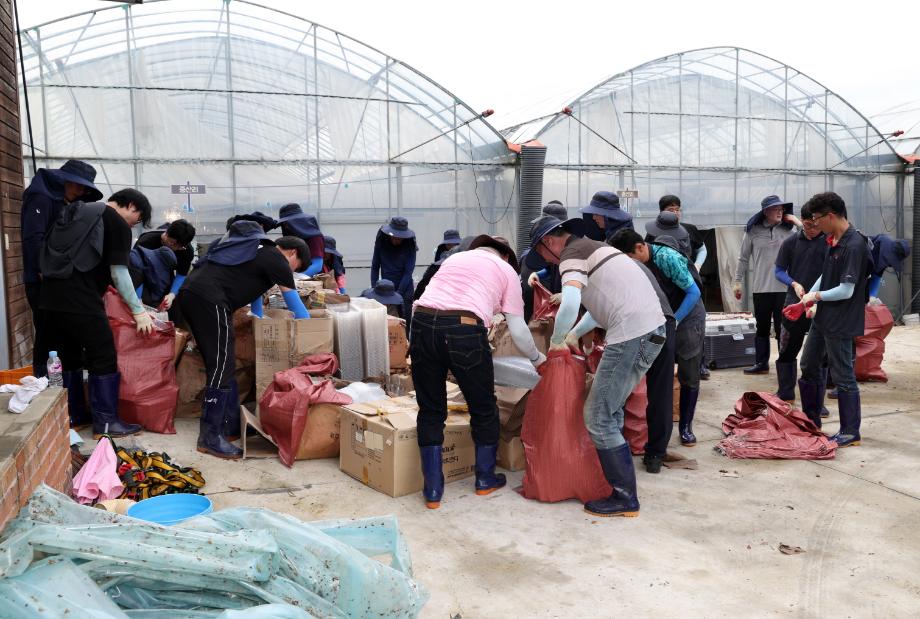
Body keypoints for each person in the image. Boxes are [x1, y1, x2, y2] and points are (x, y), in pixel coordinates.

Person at [533, 215, 666, 517]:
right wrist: (573, 335)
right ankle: (612, 485)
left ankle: (624, 497)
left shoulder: (571, 254)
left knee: (597, 416)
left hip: (631, 335)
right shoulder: (595, 249)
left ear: (549, 242)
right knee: (612, 409)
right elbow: (600, 308)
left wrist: (556, 339)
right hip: (650, 331)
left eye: (541, 253)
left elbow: (569, 304)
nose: (547, 260)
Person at [412, 235, 544, 509]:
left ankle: (433, 490)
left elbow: (422, 294)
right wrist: (537, 358)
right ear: (505, 256)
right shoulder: (506, 270)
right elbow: (518, 329)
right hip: (464, 329)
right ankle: (485, 478)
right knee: (483, 406)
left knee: (430, 409)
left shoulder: (454, 259)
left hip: (422, 324)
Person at [176, 222, 312, 459]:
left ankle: (227, 427)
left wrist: (257, 317)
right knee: (222, 364)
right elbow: (294, 304)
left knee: (218, 363)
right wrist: (313, 330)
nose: (291, 270)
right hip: (210, 298)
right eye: (295, 267)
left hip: (191, 294)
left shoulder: (252, 250)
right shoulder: (276, 258)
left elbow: (255, 292)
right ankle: (210, 437)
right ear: (292, 253)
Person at [40, 188, 152, 437]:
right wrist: (138, 311)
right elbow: (119, 272)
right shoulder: (116, 223)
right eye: (139, 218)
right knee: (103, 355)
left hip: (49, 298)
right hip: (81, 299)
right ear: (132, 206)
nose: (135, 224)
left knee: (68, 356)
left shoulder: (75, 211)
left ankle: (73, 416)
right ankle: (106, 423)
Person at [611, 230, 705, 465]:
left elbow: (693, 292)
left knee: (687, 372)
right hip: (660, 318)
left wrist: (675, 320)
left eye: (630, 258)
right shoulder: (635, 264)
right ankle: (654, 448)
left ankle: (685, 427)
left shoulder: (666, 258)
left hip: (686, 315)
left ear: (641, 248)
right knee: (658, 378)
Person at [798, 192, 872, 447]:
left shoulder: (854, 245)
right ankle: (810, 421)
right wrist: (808, 297)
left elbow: (846, 290)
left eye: (817, 218)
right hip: (824, 316)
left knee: (843, 375)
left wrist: (816, 295)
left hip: (841, 319)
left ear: (831, 216)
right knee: (808, 365)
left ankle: (851, 431)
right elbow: (826, 274)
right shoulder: (833, 239)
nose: (815, 224)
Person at [22, 160, 103, 377]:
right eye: (77, 185)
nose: (80, 191)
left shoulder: (63, 202)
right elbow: (33, 237)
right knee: (49, 338)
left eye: (84, 188)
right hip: (42, 280)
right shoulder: (41, 197)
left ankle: (65, 392)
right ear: (63, 180)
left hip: (57, 279)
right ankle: (45, 386)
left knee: (64, 336)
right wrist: (43, 269)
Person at [733, 195, 801, 375]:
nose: (780, 212)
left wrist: (797, 222)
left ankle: (783, 364)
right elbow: (743, 258)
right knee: (762, 328)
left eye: (781, 209)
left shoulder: (790, 231)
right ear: (765, 211)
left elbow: (810, 238)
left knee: (782, 329)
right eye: (775, 209)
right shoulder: (752, 231)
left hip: (784, 288)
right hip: (761, 288)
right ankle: (761, 363)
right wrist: (737, 281)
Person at [773, 203, 827, 403]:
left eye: (815, 226)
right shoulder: (791, 242)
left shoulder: (830, 243)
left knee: (820, 354)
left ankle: (817, 401)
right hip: (794, 301)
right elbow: (779, 271)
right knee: (787, 347)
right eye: (807, 225)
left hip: (821, 302)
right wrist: (794, 283)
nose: (812, 230)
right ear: (801, 221)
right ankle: (785, 392)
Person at [658, 194, 711, 380]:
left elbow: (702, 249)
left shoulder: (688, 229)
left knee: (694, 331)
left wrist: (697, 265)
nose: (675, 212)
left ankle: (700, 365)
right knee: (673, 332)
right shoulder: (654, 233)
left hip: (690, 286)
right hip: (669, 291)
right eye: (670, 209)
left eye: (677, 209)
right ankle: (673, 370)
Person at [521, 201, 569, 319]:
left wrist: (567, 295)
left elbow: (592, 288)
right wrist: (538, 274)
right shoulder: (554, 251)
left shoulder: (575, 251)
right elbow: (551, 268)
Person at [133, 219, 196, 310]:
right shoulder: (146, 241)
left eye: (179, 246)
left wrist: (172, 294)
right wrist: (138, 299)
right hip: (141, 279)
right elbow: (136, 272)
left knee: (173, 306)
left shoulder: (186, 250)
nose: (174, 248)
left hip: (164, 279)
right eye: (172, 243)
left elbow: (181, 275)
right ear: (166, 233)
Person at [371, 217, 417, 321]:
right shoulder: (381, 242)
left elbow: (408, 272)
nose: (397, 240)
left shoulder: (410, 245)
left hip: (404, 288)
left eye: (400, 238)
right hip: (385, 288)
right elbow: (375, 267)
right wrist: (375, 288)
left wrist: (399, 294)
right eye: (395, 237)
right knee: (386, 321)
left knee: (404, 320)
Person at [277, 203, 324, 276]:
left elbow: (317, 265)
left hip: (309, 279)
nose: (285, 227)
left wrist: (295, 277)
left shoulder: (314, 237)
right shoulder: (289, 239)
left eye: (287, 223)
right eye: (284, 224)